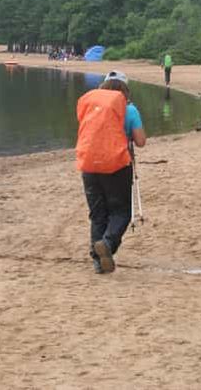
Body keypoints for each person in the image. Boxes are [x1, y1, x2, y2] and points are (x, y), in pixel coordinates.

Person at [76, 70, 146, 274]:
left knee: (98, 214)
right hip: (116, 165)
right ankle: (106, 244)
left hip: (89, 164)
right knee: (120, 212)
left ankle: (98, 262)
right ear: (125, 89)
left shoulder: (92, 107)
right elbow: (140, 141)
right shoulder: (129, 109)